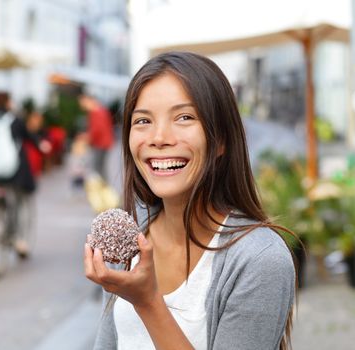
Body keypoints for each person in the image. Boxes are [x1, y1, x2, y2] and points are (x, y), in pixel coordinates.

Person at [84, 52, 297, 350]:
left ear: (221, 138)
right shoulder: (130, 237)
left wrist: (147, 302)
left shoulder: (260, 259)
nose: (158, 137)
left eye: (184, 117)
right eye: (143, 120)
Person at [0, 91, 50, 258]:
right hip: (13, 170)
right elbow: (28, 136)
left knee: (0, 191)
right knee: (20, 201)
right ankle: (20, 240)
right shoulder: (14, 119)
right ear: (9, 102)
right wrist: (41, 145)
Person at [78, 92, 114, 181]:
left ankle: (103, 189)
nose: (82, 106)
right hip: (103, 143)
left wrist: (87, 136)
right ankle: (103, 188)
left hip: (101, 144)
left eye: (83, 103)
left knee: (98, 168)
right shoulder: (100, 111)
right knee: (100, 167)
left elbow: (98, 129)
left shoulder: (97, 112)